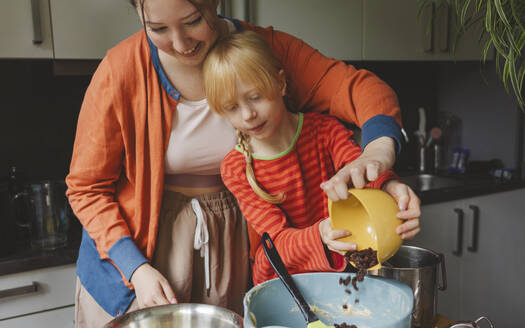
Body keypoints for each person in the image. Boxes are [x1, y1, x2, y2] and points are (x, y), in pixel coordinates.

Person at [65, 0, 419, 326]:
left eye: (192, 21)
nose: (180, 42)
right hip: (133, 254)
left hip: (228, 253)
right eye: (157, 29)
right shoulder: (121, 70)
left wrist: (378, 157)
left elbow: (361, 90)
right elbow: (85, 188)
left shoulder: (266, 50)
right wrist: (136, 268)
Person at [202, 30, 420, 285]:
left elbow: (360, 170)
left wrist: (389, 186)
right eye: (232, 108)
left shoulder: (325, 131)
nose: (248, 114)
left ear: (281, 83)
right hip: (283, 282)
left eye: (255, 97)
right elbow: (275, 244)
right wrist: (319, 235)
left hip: (341, 276)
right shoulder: (236, 168)